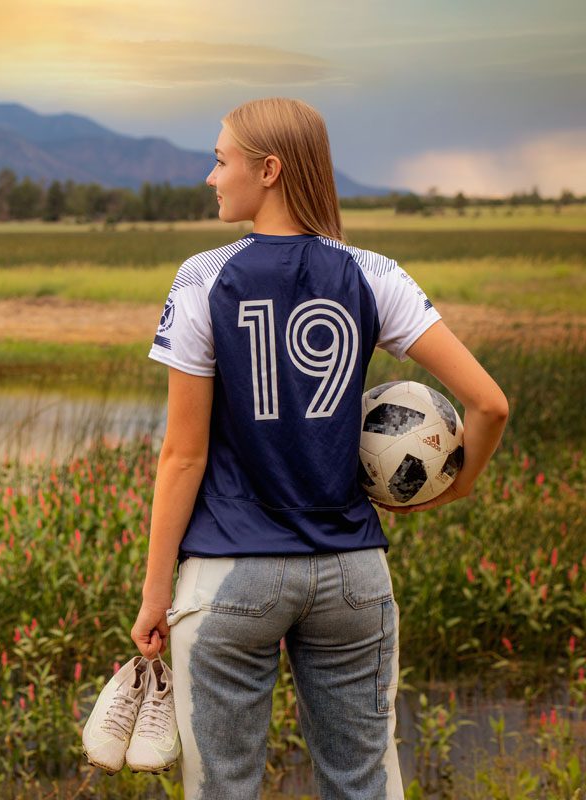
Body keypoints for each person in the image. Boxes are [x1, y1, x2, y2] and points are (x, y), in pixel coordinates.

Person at [130, 97, 509, 799]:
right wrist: (458, 484)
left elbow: (182, 457)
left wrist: (155, 594)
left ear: (268, 170)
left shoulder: (202, 278)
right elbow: (490, 404)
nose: (211, 178)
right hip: (353, 575)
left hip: (230, 575)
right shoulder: (373, 272)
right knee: (364, 784)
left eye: (221, 160)